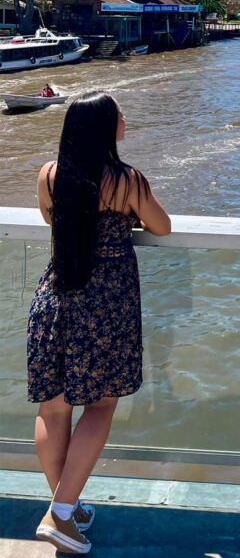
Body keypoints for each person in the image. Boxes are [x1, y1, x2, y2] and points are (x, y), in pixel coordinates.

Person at [28, 92, 171, 554]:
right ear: (104, 129)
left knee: (52, 409)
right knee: (101, 406)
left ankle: (65, 506)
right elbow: (162, 227)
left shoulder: (50, 176)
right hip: (105, 307)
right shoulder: (127, 181)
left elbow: (53, 220)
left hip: (55, 298)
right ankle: (61, 512)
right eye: (119, 115)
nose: (125, 119)